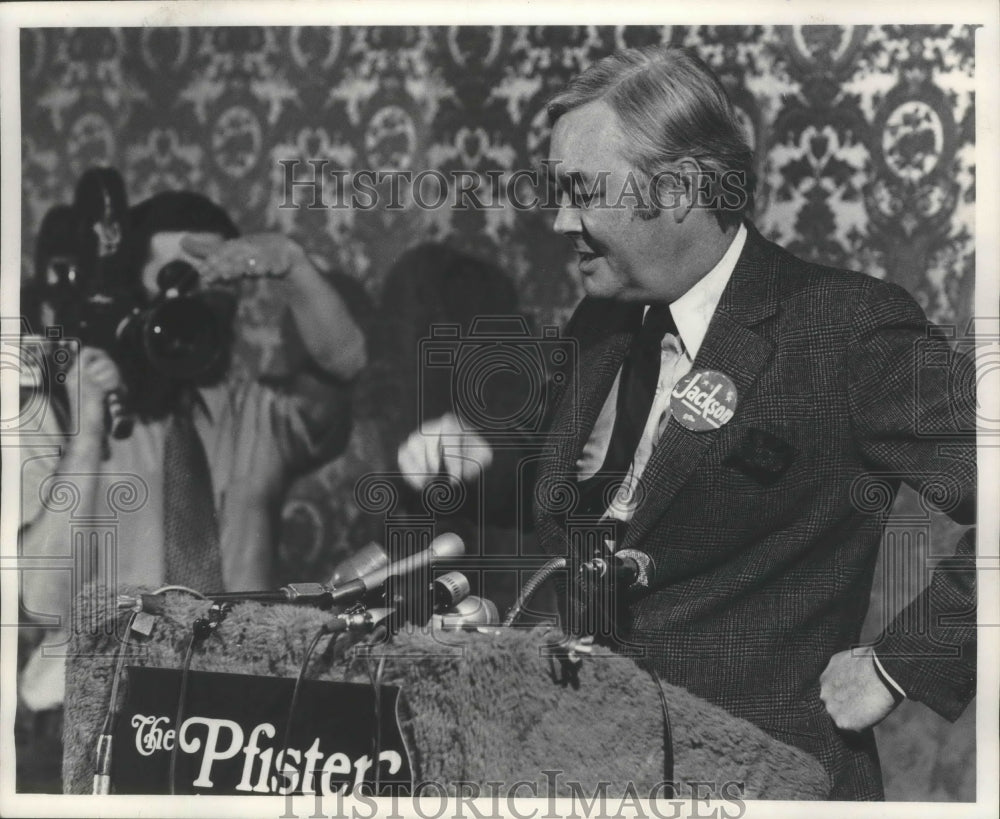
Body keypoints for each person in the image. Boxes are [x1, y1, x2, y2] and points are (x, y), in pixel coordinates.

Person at [397, 46, 976, 800]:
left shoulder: (847, 329)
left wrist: (900, 663)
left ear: (677, 189)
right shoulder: (601, 321)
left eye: (580, 191)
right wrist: (472, 463)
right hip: (586, 772)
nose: (559, 217)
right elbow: (613, 497)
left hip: (761, 782)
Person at [17, 191, 367, 778]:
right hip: (82, 728)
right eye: (167, 291)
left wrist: (292, 265)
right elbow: (38, 599)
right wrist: (86, 434)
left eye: (204, 298)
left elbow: (344, 366)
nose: (183, 312)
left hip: (231, 728)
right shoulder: (59, 405)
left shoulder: (258, 413)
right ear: (132, 293)